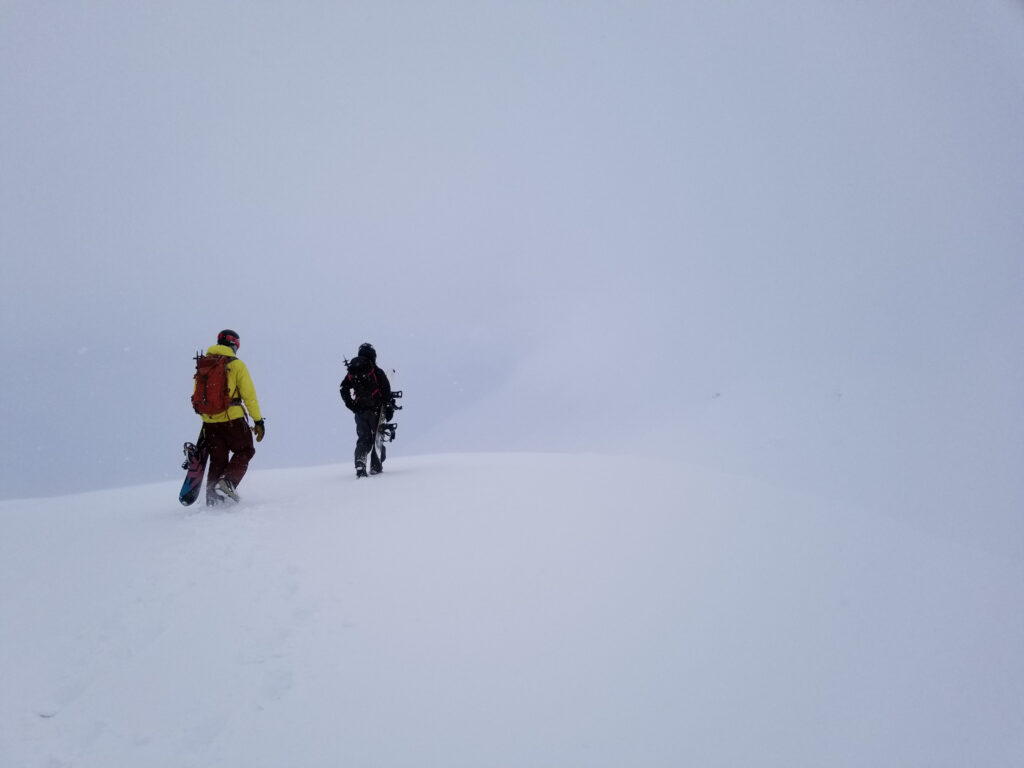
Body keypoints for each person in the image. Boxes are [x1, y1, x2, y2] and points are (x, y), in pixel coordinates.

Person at [198, 329, 265, 505]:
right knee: (245, 450)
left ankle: (212, 500)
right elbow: (249, 396)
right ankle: (228, 483)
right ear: (234, 345)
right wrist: (258, 420)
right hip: (232, 419)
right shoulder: (236, 365)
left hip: (209, 422)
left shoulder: (204, 364)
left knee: (218, 460)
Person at [340, 342, 392, 477]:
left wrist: (351, 405)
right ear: (373, 355)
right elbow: (386, 391)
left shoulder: (353, 371)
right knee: (377, 438)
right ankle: (376, 466)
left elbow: (343, 388)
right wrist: (388, 408)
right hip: (376, 410)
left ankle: (360, 462)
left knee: (363, 439)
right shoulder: (375, 370)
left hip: (359, 412)